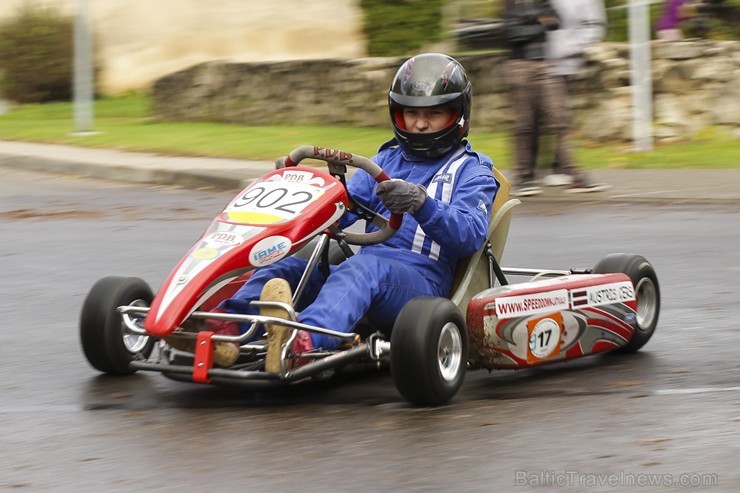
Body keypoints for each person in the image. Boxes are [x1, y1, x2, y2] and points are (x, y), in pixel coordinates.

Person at [180, 53, 499, 372]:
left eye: (434, 114)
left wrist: (422, 203)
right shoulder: (387, 161)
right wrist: (298, 191)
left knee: (362, 268)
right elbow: (340, 209)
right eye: (410, 113)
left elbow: (469, 235)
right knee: (287, 266)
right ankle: (226, 333)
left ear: (458, 115)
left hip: (423, 285)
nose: (419, 123)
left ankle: (301, 343)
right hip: (366, 274)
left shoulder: (472, 171)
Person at [503, 0, 606, 196]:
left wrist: (530, 22)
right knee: (525, 124)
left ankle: (572, 173)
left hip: (544, 65)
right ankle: (524, 177)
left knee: (559, 119)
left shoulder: (542, 1)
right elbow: (512, 33)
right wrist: (539, 24)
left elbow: (554, 23)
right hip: (518, 65)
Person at [542, 0, 609, 190]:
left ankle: (558, 169)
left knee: (559, 118)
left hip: (567, 64)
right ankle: (567, 170)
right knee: (555, 119)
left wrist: (569, 48)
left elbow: (594, 26)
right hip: (540, 64)